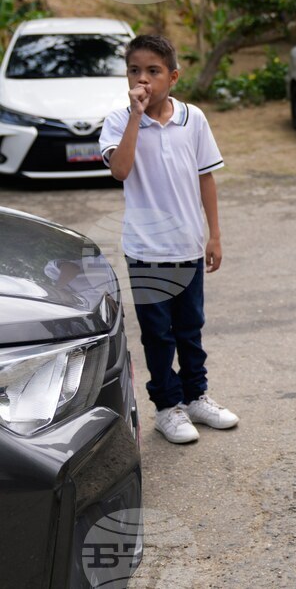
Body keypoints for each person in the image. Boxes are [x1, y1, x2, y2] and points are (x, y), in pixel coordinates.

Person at [100, 34, 239, 445]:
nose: (143, 78)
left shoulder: (192, 118)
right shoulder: (117, 120)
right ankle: (166, 407)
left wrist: (214, 235)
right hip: (146, 250)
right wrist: (133, 117)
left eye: (153, 71)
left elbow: (205, 178)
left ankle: (196, 396)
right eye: (134, 70)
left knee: (190, 327)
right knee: (157, 333)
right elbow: (120, 171)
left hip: (188, 245)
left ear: (173, 77)